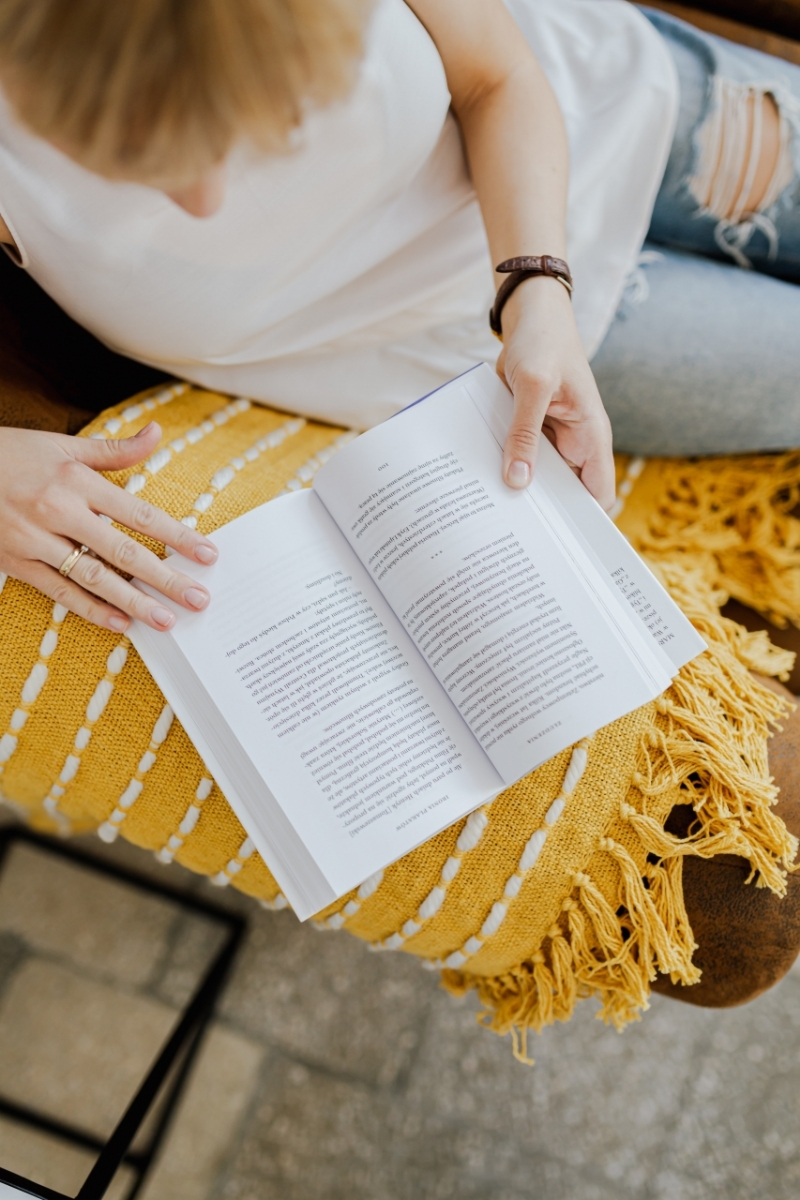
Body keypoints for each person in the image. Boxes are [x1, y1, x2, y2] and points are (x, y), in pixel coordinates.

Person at [0, 0, 799, 1012]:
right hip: (500, 341)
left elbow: (496, 75)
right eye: (117, 151)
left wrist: (535, 290)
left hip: (591, 121)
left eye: (270, 119)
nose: (200, 195)